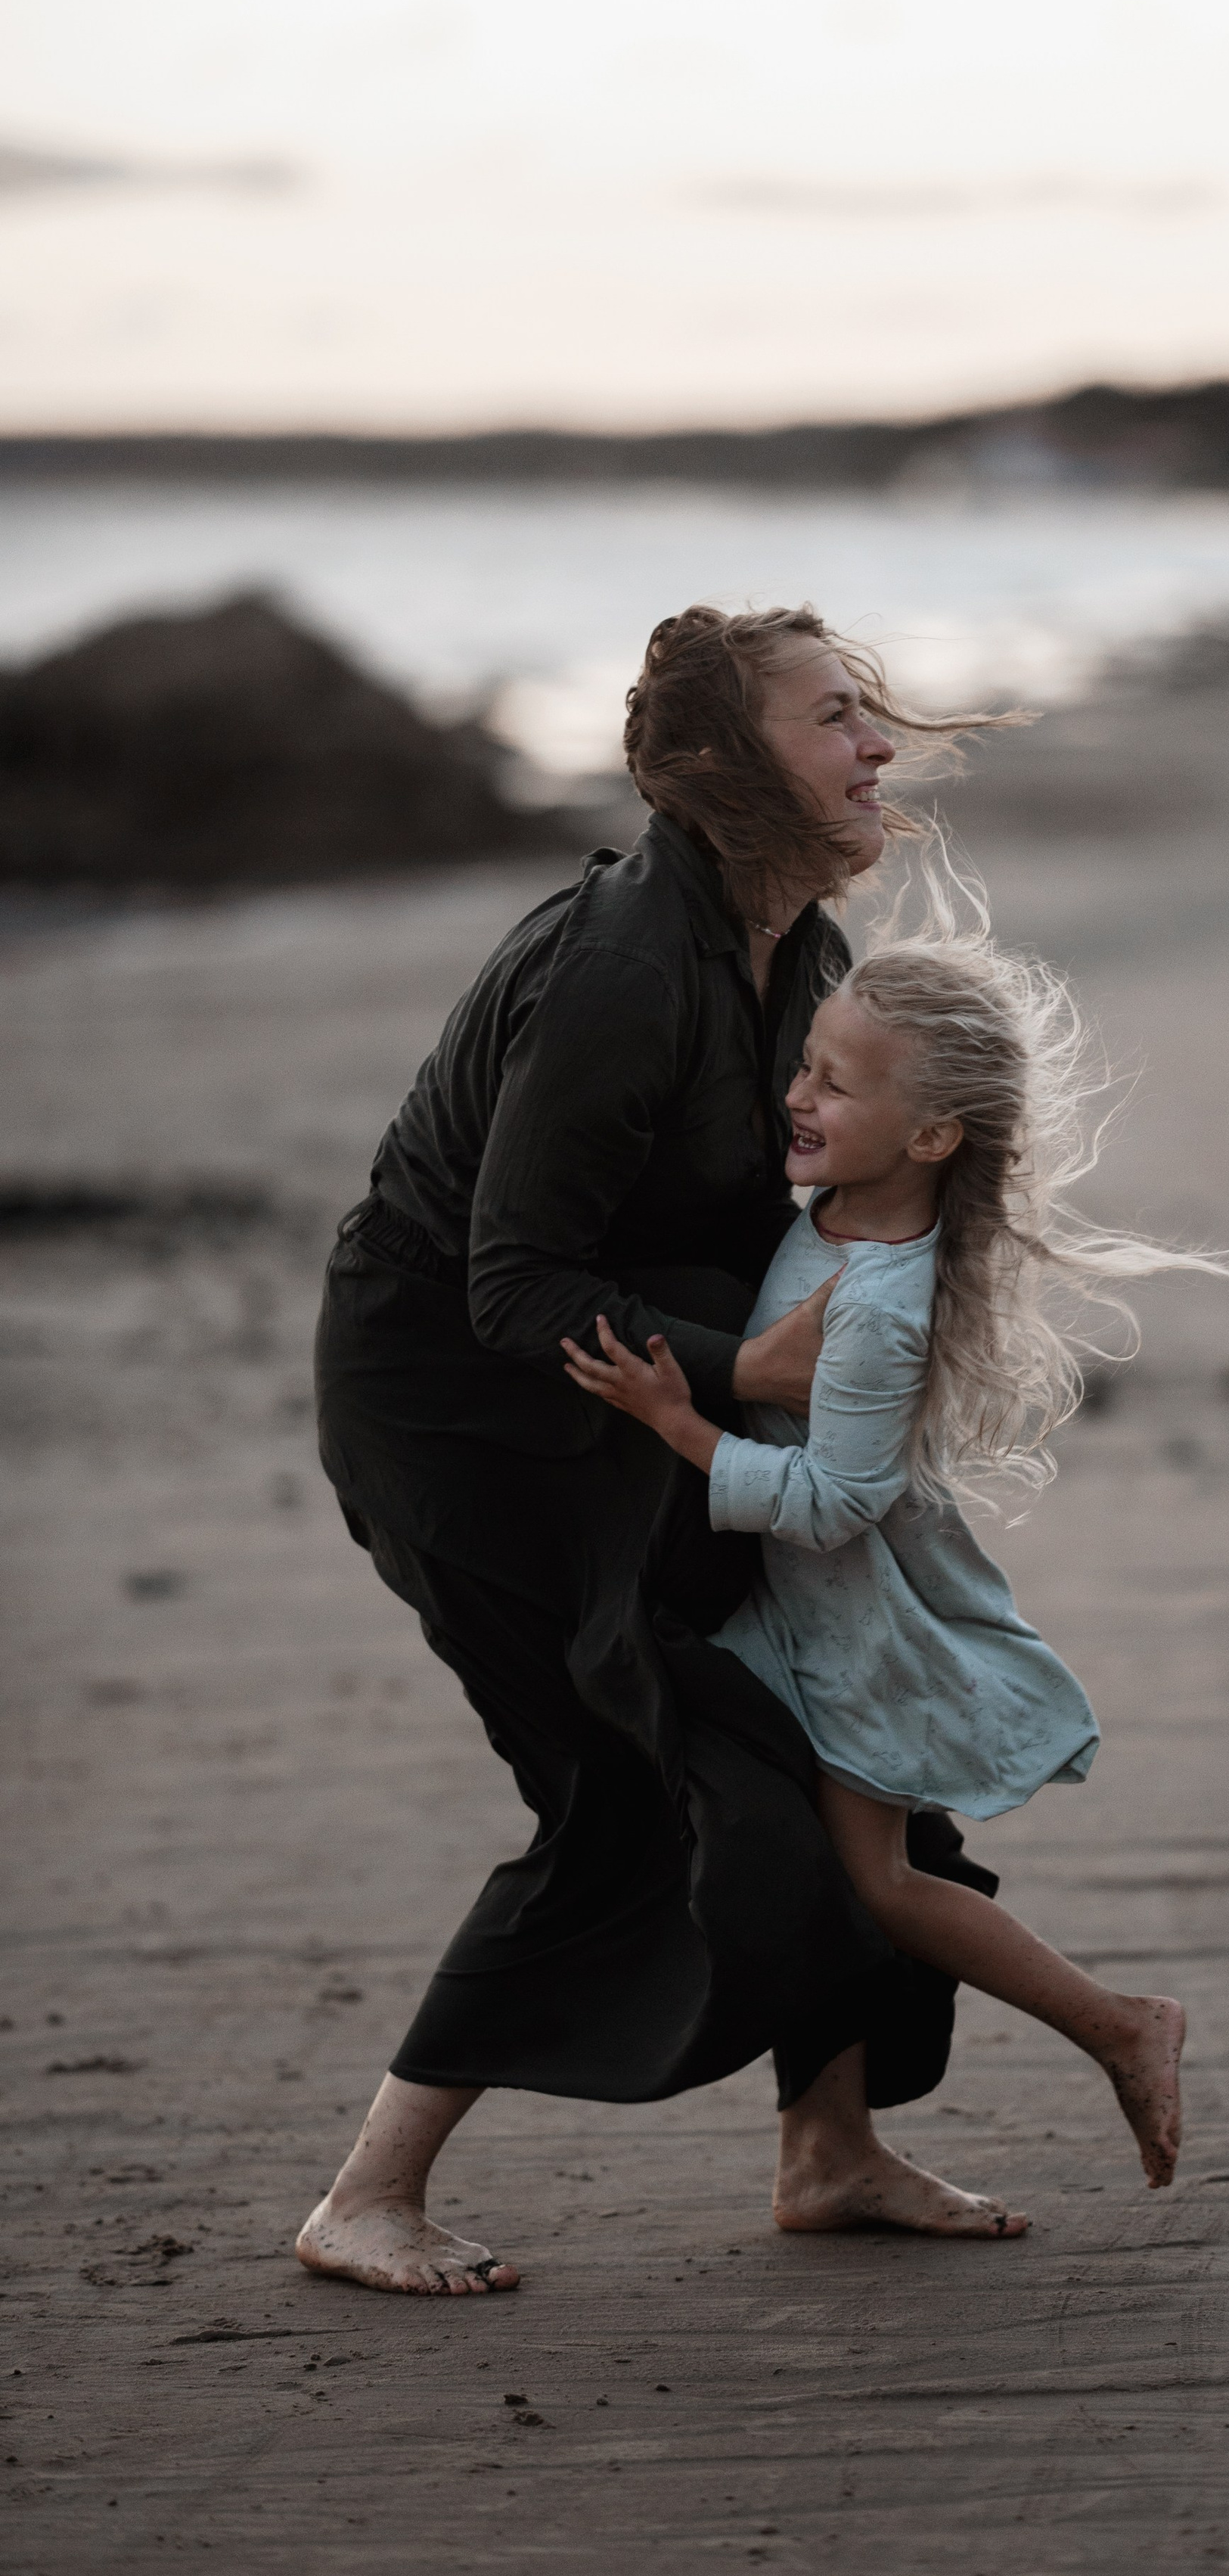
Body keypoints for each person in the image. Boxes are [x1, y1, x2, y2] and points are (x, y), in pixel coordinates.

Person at [298, 607, 1032, 2298]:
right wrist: (745, 1365)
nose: (877, 746)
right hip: (462, 1411)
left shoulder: (802, 955)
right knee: (629, 1784)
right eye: (833, 717)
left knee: (823, 1728)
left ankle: (831, 2148)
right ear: (720, 764)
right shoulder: (623, 969)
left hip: (636, 1392)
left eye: (870, 713)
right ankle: (367, 2197)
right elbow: (507, 1281)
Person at [563, 902, 1229, 2197]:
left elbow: (837, 1501)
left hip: (850, 1637)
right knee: (818, 1872)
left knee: (879, 1884)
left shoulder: (883, 1300)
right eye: (803, 1065)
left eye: (835, 1083)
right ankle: (832, 2148)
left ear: (933, 1136)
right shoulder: (831, 1210)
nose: (797, 1095)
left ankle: (1122, 2026)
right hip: (799, 1622)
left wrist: (681, 1425)